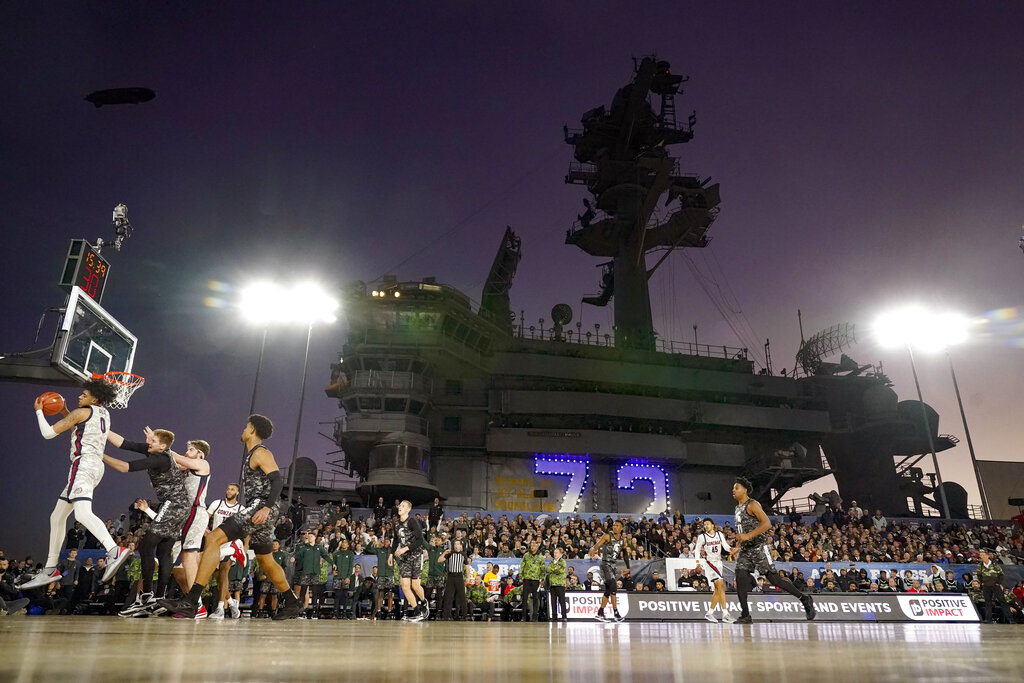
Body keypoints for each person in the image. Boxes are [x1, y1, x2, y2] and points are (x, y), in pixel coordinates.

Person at [157, 414, 303, 620]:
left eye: (246, 426)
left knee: (214, 538)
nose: (243, 429)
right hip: (261, 509)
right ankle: (292, 602)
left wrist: (267, 508)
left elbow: (278, 481)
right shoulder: (253, 453)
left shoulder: (260, 452)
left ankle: (191, 600)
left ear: (252, 430)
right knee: (266, 559)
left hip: (260, 506)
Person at [22, 380, 130, 590]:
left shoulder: (83, 412)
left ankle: (114, 550)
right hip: (94, 465)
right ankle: (51, 567)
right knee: (57, 516)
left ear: (94, 398)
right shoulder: (103, 414)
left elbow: (48, 433)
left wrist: (39, 412)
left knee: (81, 514)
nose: (80, 397)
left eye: (84, 394)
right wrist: (64, 411)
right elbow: (77, 422)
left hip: (83, 464)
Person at [103, 426, 191, 617]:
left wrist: (100, 455)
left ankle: (148, 596)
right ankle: (159, 598)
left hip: (173, 504)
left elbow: (125, 467)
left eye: (153, 441)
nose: (148, 443)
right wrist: (102, 427)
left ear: (162, 446)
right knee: (164, 549)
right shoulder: (156, 450)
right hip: (180, 505)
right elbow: (123, 443)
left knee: (146, 544)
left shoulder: (159, 458)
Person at [731, 476, 815, 624]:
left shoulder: (752, 504)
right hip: (746, 549)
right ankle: (745, 615)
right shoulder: (737, 508)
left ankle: (804, 598)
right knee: (740, 577)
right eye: (733, 488)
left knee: (774, 578)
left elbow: (766, 524)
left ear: (744, 490)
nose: (733, 490)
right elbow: (740, 531)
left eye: (736, 488)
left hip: (759, 547)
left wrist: (748, 535)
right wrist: (737, 546)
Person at [168, 439, 212, 608]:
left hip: (196, 511)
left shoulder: (203, 464)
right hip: (185, 515)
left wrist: (162, 446)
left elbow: (176, 457)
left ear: (200, 453)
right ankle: (191, 601)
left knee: (189, 556)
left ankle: (196, 604)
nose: (187, 452)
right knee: (179, 560)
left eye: (191, 450)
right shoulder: (185, 469)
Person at [205, 483, 247, 619]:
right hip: (215, 542)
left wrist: (245, 546)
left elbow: (248, 529)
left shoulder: (241, 508)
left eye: (232, 489)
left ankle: (220, 609)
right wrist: (205, 530)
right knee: (218, 579)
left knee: (224, 572)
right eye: (228, 488)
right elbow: (205, 517)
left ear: (238, 493)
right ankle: (232, 603)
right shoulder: (217, 503)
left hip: (231, 544)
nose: (229, 491)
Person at [390, 500, 427, 621]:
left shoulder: (412, 521)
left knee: (415, 586)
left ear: (408, 510)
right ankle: (417, 611)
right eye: (400, 505)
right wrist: (391, 554)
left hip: (416, 555)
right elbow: (396, 540)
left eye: (403, 506)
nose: (400, 507)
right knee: (405, 586)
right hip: (405, 558)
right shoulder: (395, 523)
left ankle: (424, 602)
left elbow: (420, 540)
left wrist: (405, 548)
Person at [695, 517, 736, 623]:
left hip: (719, 562)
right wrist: (698, 563)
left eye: (708, 524)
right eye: (704, 524)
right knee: (721, 586)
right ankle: (725, 613)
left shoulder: (719, 534)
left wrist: (733, 549)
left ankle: (709, 613)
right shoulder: (702, 537)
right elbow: (696, 550)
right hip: (710, 563)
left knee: (718, 589)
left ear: (713, 525)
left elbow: (726, 547)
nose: (706, 526)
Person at [589, 519, 628, 622]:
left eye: (617, 525)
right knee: (613, 587)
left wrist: (628, 567)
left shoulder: (622, 541)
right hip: (605, 564)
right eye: (614, 525)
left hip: (613, 566)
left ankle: (600, 613)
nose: (614, 527)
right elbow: (597, 545)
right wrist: (593, 550)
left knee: (609, 590)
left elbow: (625, 553)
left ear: (621, 528)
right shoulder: (607, 536)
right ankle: (616, 613)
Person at [439, 539, 469, 620]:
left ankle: (464, 616)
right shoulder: (450, 553)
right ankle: (445, 616)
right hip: (451, 576)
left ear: (460, 545)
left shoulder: (463, 554)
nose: (456, 546)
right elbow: (439, 560)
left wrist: (468, 577)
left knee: (462, 597)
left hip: (459, 576)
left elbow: (467, 566)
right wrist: (444, 553)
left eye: (458, 544)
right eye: (455, 544)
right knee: (448, 596)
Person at [977, 549, 1010, 623]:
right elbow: (979, 575)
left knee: (1002, 601)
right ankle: (988, 619)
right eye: (981, 555)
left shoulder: (995, 565)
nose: (982, 557)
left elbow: (1001, 574)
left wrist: (998, 582)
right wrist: (982, 582)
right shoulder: (980, 566)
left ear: (988, 556)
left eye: (983, 555)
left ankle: (1010, 619)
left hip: (995, 585)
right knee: (988, 602)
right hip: (986, 586)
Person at [520, 540, 545, 621]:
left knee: (535, 598)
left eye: (534, 545)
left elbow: (542, 569)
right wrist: (521, 576)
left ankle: (534, 616)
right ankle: (524, 617)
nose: (532, 546)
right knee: (524, 598)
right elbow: (522, 566)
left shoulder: (540, 557)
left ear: (537, 547)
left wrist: (542, 578)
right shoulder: (526, 555)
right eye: (531, 545)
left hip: (536, 580)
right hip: (526, 579)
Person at [546, 545, 568, 621]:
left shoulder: (562, 562)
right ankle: (554, 617)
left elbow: (560, 571)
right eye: (554, 552)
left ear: (560, 554)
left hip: (560, 584)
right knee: (553, 602)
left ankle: (564, 616)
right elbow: (547, 570)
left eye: (556, 552)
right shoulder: (552, 562)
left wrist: (552, 569)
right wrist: (554, 569)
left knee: (562, 601)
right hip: (552, 584)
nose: (555, 554)